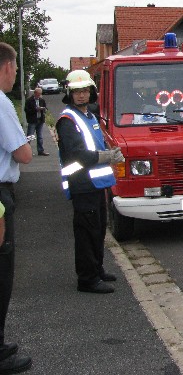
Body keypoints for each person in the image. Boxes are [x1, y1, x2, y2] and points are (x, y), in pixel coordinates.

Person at [56, 70, 124, 294]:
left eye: (85, 91)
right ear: (69, 93)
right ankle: (87, 279)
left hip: (97, 184)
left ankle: (97, 269)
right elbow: (77, 154)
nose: (81, 95)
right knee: (86, 234)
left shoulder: (89, 116)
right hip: (82, 185)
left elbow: (98, 144)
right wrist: (107, 157)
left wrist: (111, 151)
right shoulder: (67, 121)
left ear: (91, 92)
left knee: (98, 230)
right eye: (77, 92)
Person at [0, 42, 33, 374]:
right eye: (16, 69)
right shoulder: (1, 102)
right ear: (8, 67)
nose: (15, 76)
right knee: (2, 271)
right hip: (0, 194)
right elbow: (23, 154)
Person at [24, 87, 49, 156]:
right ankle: (26, 151)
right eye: (38, 94)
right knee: (30, 136)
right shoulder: (29, 100)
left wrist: (44, 109)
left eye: (40, 94)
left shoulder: (42, 100)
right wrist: (36, 109)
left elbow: (45, 108)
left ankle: (40, 150)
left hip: (40, 120)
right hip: (32, 120)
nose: (39, 96)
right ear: (35, 93)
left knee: (40, 136)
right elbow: (27, 110)